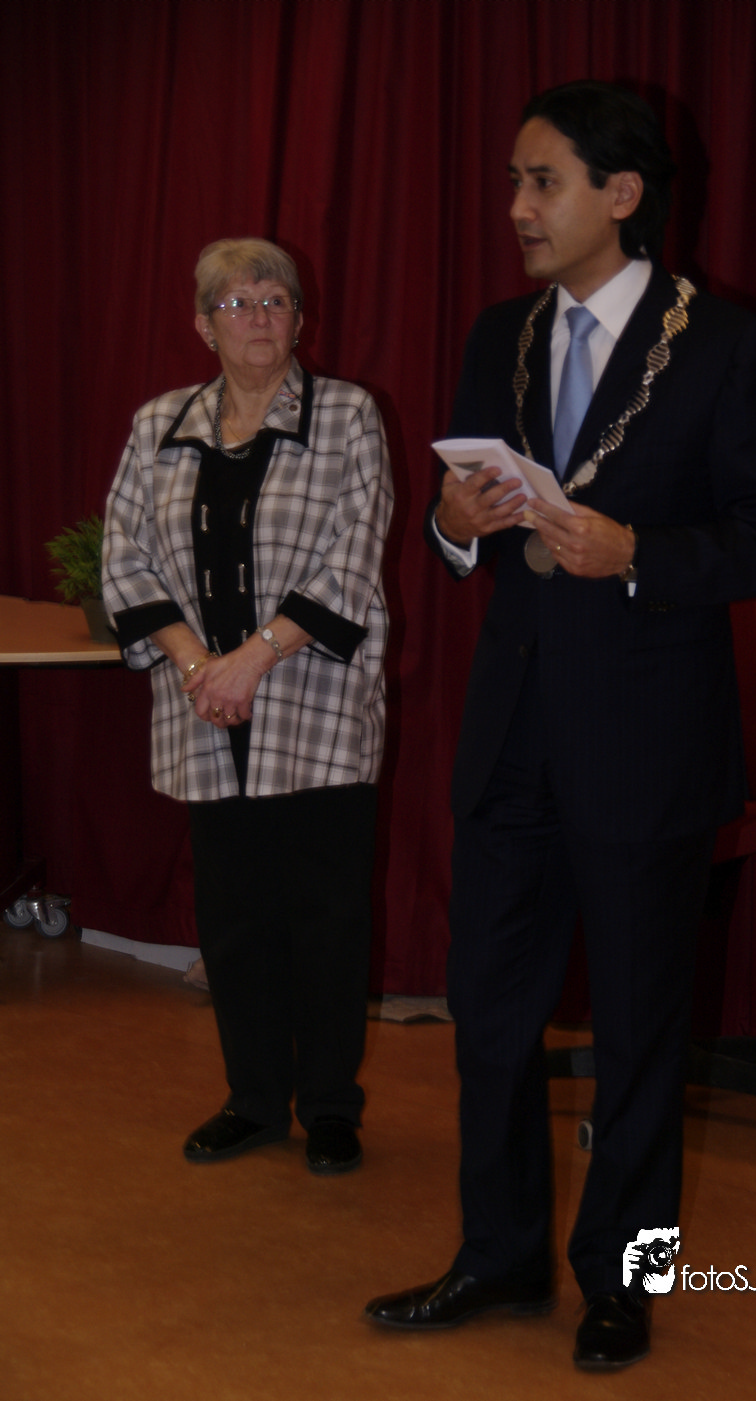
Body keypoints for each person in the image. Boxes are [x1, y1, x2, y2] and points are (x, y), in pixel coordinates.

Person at [365, 82, 756, 1369]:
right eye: (514, 181)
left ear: (622, 194)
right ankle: (496, 1255)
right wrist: (453, 527)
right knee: (490, 1017)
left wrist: (638, 554)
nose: (516, 206)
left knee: (641, 1032)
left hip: (648, 739)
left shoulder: (729, 346)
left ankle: (629, 1281)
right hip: (511, 732)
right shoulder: (497, 333)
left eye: (541, 181)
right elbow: (454, 525)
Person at [103, 237, 392, 1176]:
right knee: (234, 920)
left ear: (300, 319)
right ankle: (254, 1099)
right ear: (203, 325)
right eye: (237, 303)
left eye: (276, 300)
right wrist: (201, 666)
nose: (259, 316)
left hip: (313, 704)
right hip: (205, 709)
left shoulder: (347, 414)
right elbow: (124, 556)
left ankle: (332, 1105)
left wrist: (254, 659)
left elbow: (353, 558)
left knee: (327, 918)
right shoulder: (158, 424)